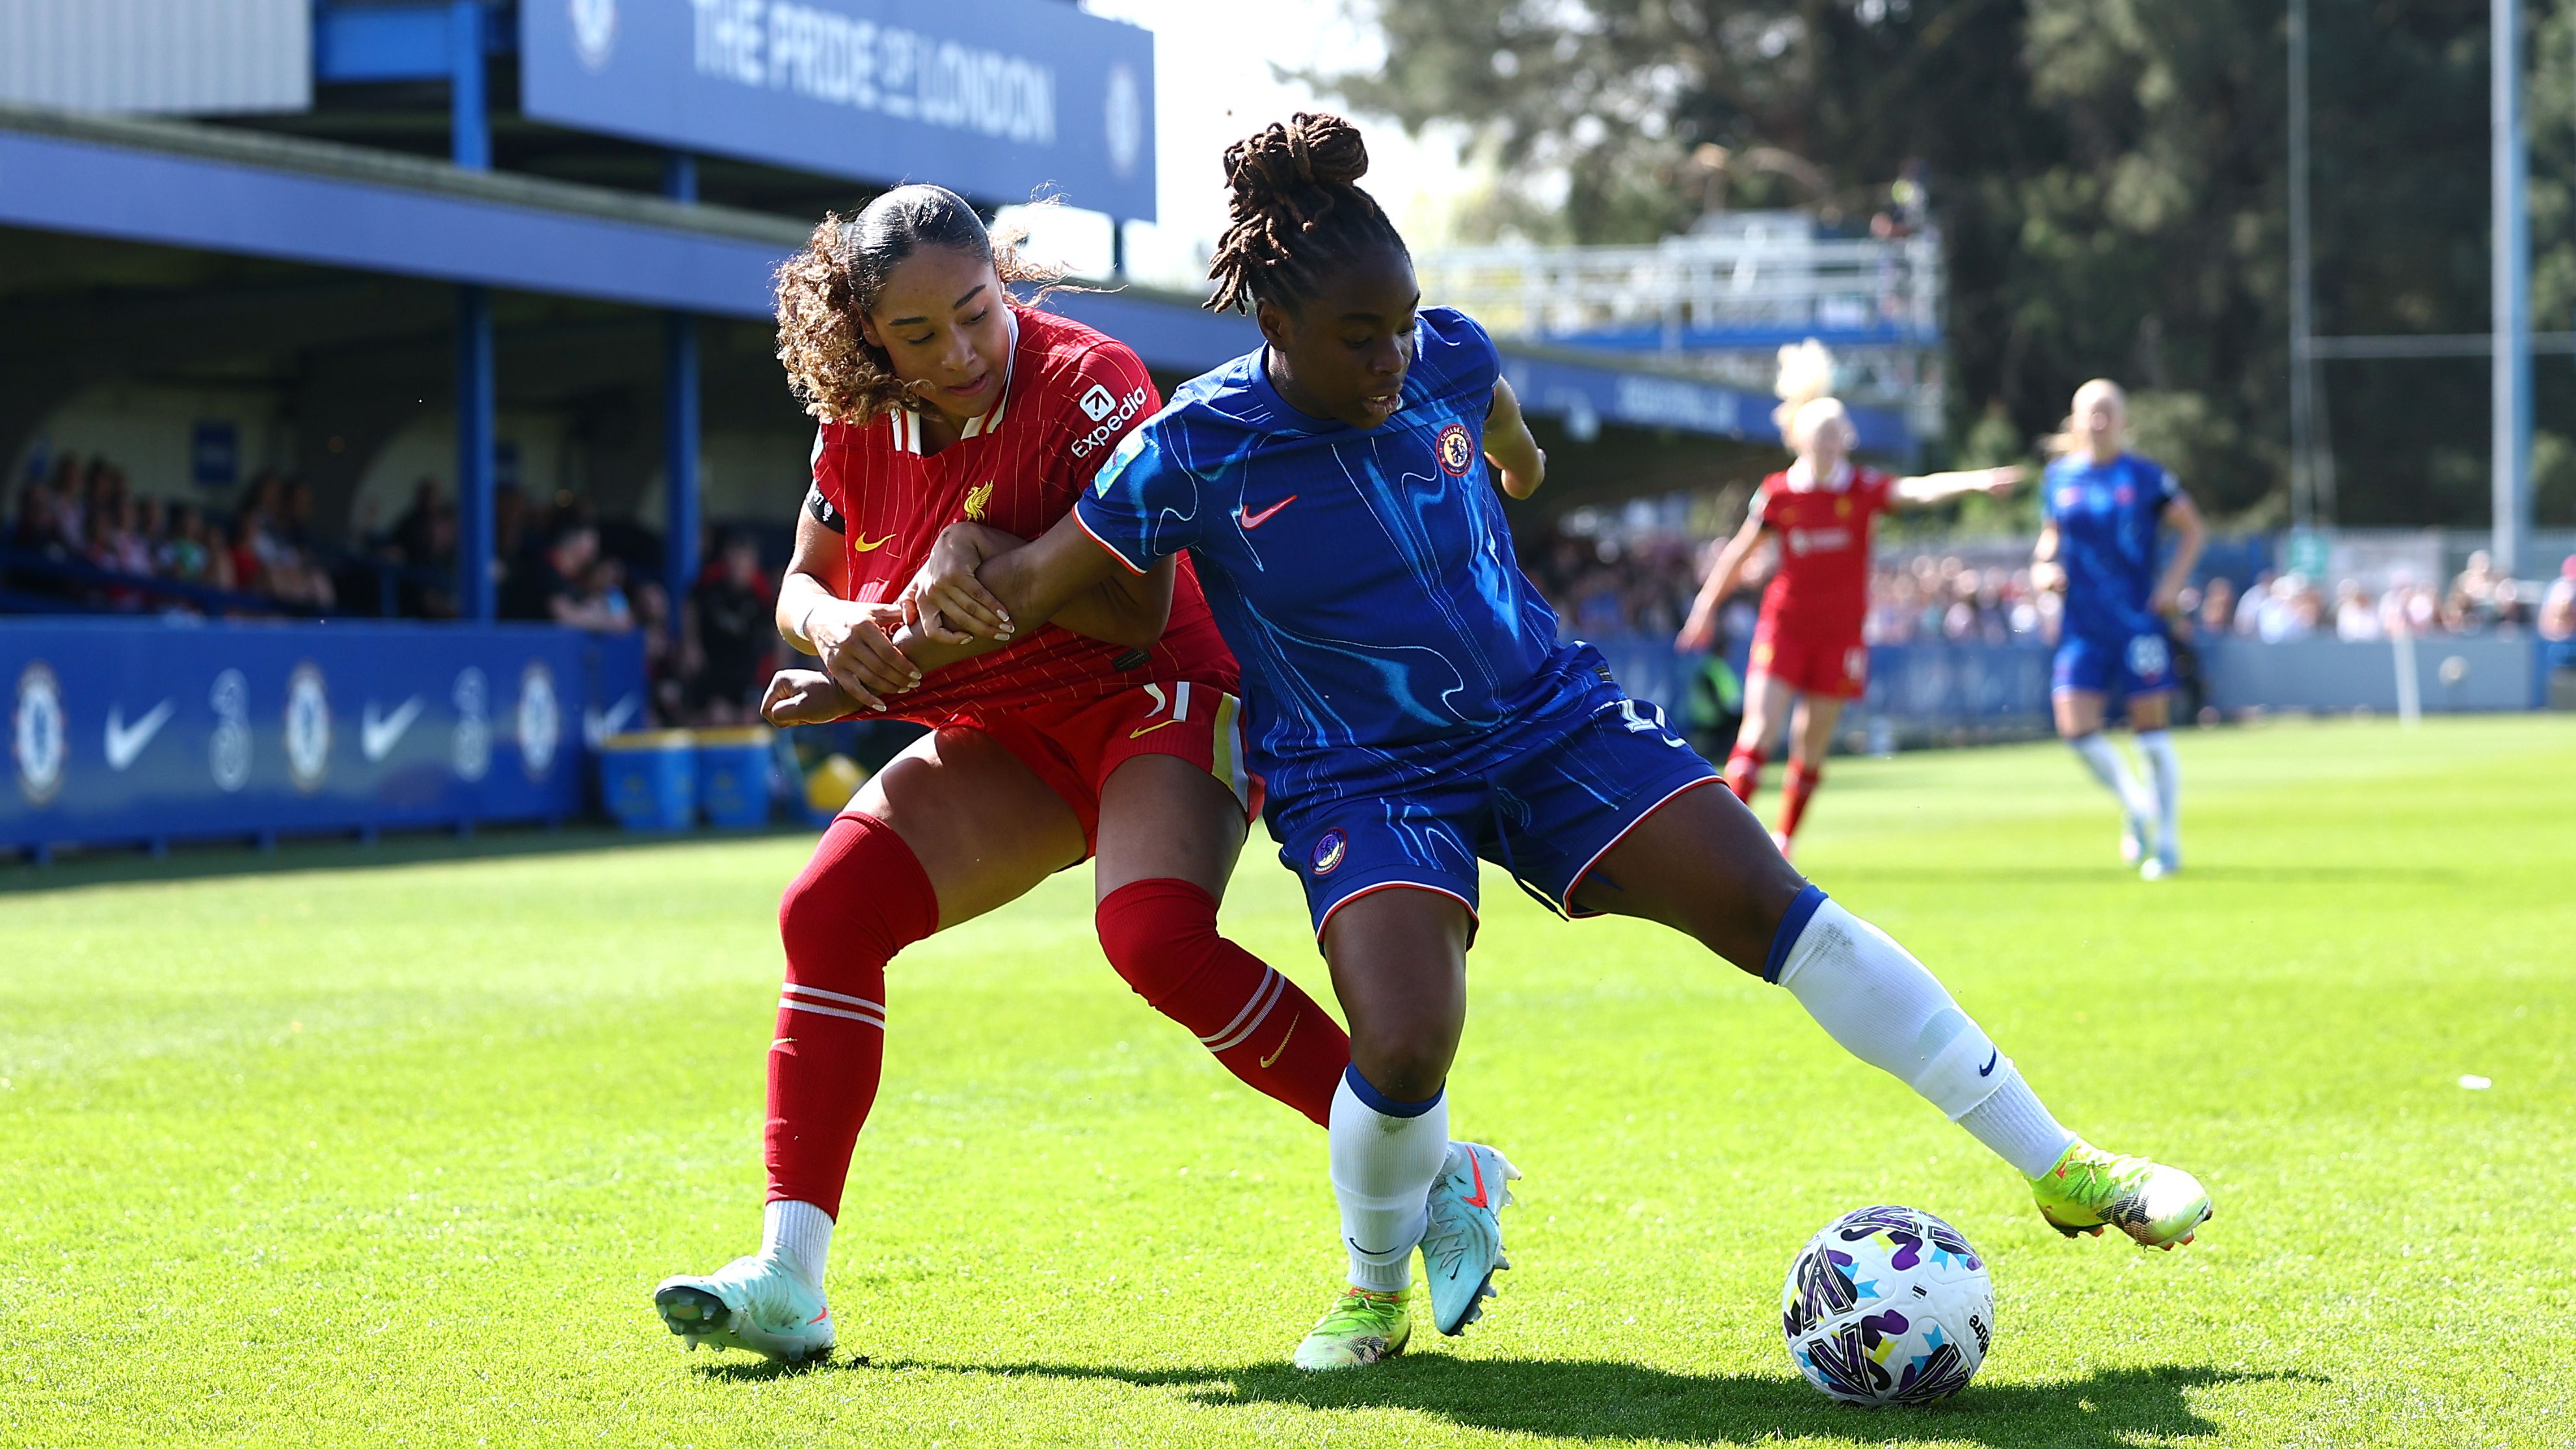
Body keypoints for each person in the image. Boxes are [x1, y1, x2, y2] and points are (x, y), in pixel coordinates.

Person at [854, 114, 2212, 1372]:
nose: (1391, 357)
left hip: (1547, 716)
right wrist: (878, 642)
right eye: (1354, 336)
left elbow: (1514, 452)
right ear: (1272, 321)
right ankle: (1376, 1283)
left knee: (1775, 908)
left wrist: (1501, 463)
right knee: (1400, 1046)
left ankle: (2063, 1160)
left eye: (1398, 325)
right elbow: (1034, 587)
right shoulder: (1190, 446)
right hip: (1359, 775)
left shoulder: (1448, 353)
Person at [654, 185, 1425, 1366]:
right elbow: (799, 583)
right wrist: (837, 627)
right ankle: (787, 1280)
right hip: (1008, 723)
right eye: (918, 334)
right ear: (868, 337)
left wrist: (979, 556)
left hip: (1161, 689)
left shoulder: (1093, 380)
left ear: (1001, 282)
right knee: (828, 911)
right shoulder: (856, 416)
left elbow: (1136, 608)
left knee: (1153, 934)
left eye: (976, 311)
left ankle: (1427, 1166)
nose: (959, 350)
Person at [1674, 340, 2020, 858]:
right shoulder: (1779, 495)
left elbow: (1919, 490)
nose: (1833, 444)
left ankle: (1783, 843)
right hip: (1785, 627)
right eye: (1823, 436)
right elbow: (1736, 556)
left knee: (1811, 744)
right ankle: (1727, 843)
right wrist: (1705, 609)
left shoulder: (1861, 489)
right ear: (1802, 441)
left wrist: (1974, 482)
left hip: (1841, 634)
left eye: (1839, 434)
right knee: (1759, 731)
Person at [2032, 380, 2207, 879]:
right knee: (2073, 726)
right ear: (2075, 420)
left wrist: (2172, 583)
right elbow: (2050, 540)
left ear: (2124, 420)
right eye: (2091, 411)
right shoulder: (2059, 478)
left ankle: (2168, 841)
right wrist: (2043, 569)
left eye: (2108, 411)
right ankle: (2135, 803)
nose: (2099, 420)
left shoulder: (2147, 478)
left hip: (2136, 623)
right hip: (2082, 623)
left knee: (2150, 734)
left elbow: (2192, 528)